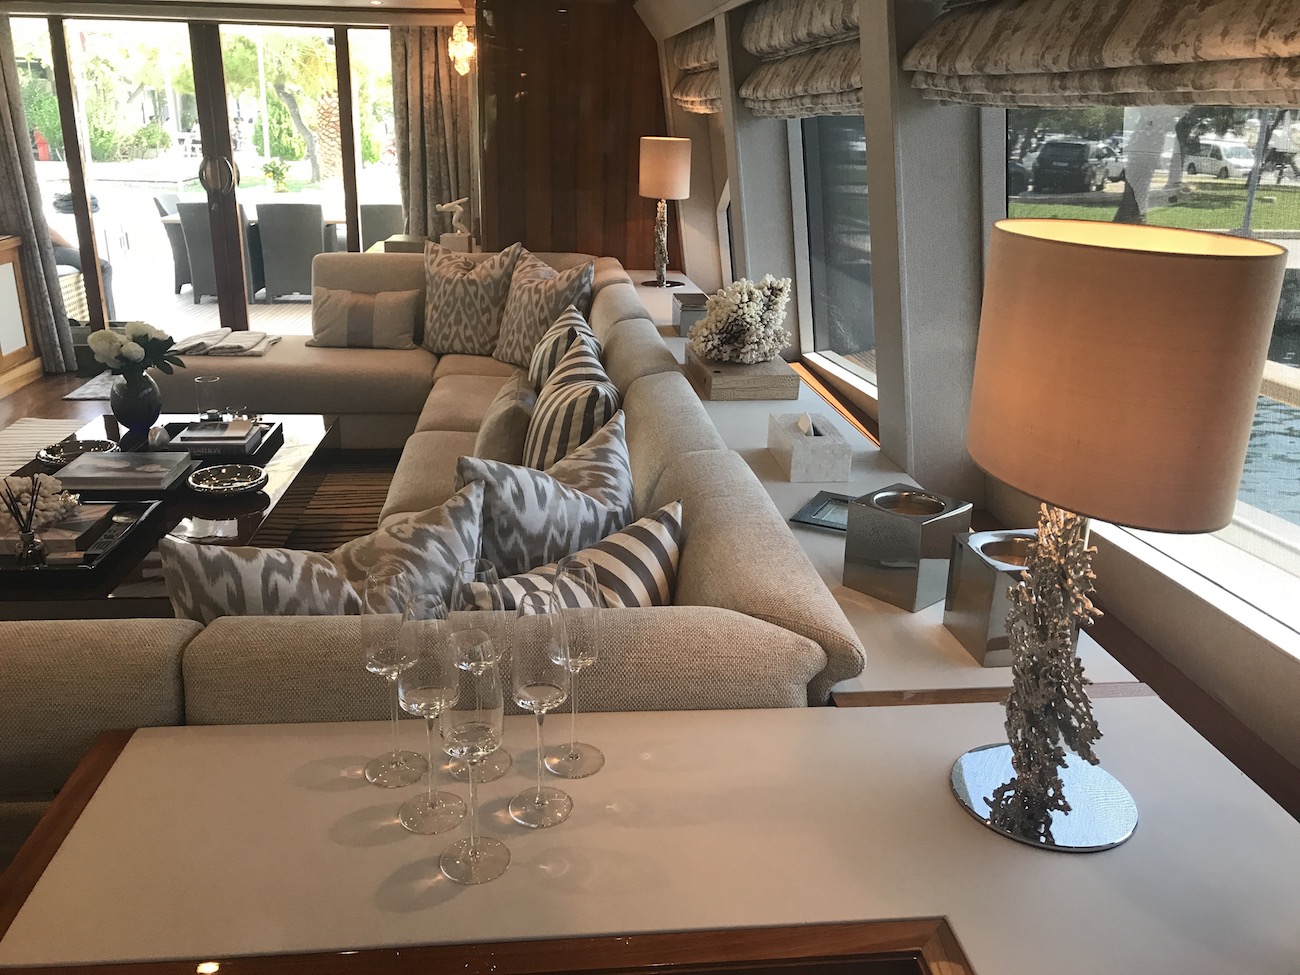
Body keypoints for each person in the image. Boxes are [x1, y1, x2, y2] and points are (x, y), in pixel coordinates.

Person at [49, 226, 116, 320]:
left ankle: (108, 322)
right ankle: (109, 323)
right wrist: (74, 249)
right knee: (103, 267)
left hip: (45, 249)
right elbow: (50, 234)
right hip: (47, 250)